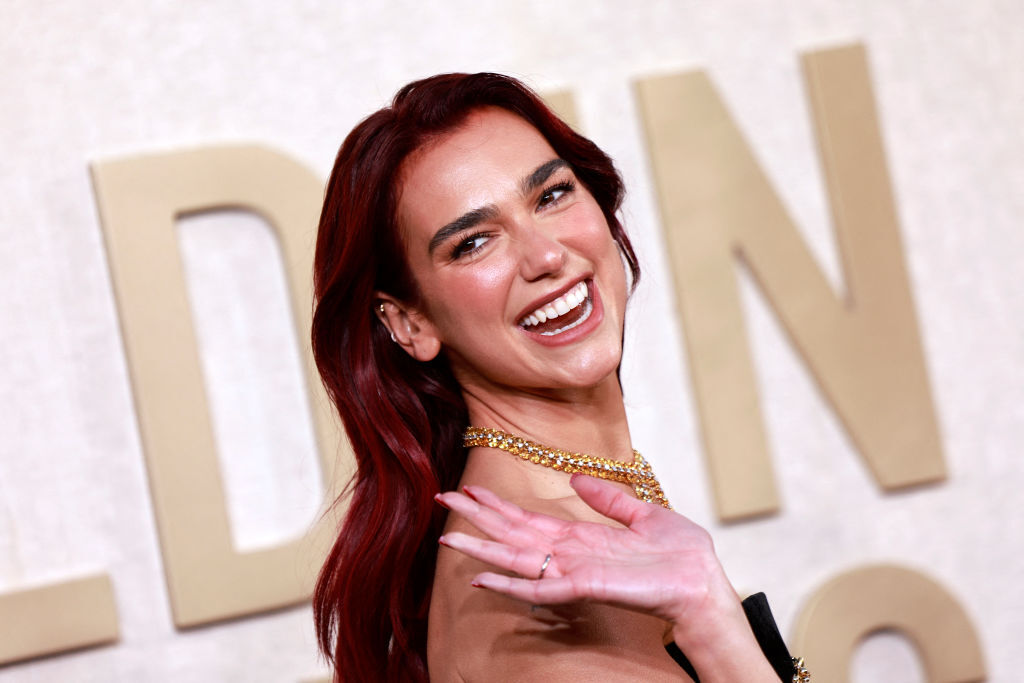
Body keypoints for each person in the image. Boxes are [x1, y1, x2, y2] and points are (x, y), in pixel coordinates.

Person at [311, 72, 807, 682]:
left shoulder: (573, 505)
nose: (546, 256)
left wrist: (711, 613)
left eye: (550, 196)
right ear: (410, 323)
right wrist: (713, 621)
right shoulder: (522, 579)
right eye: (472, 243)